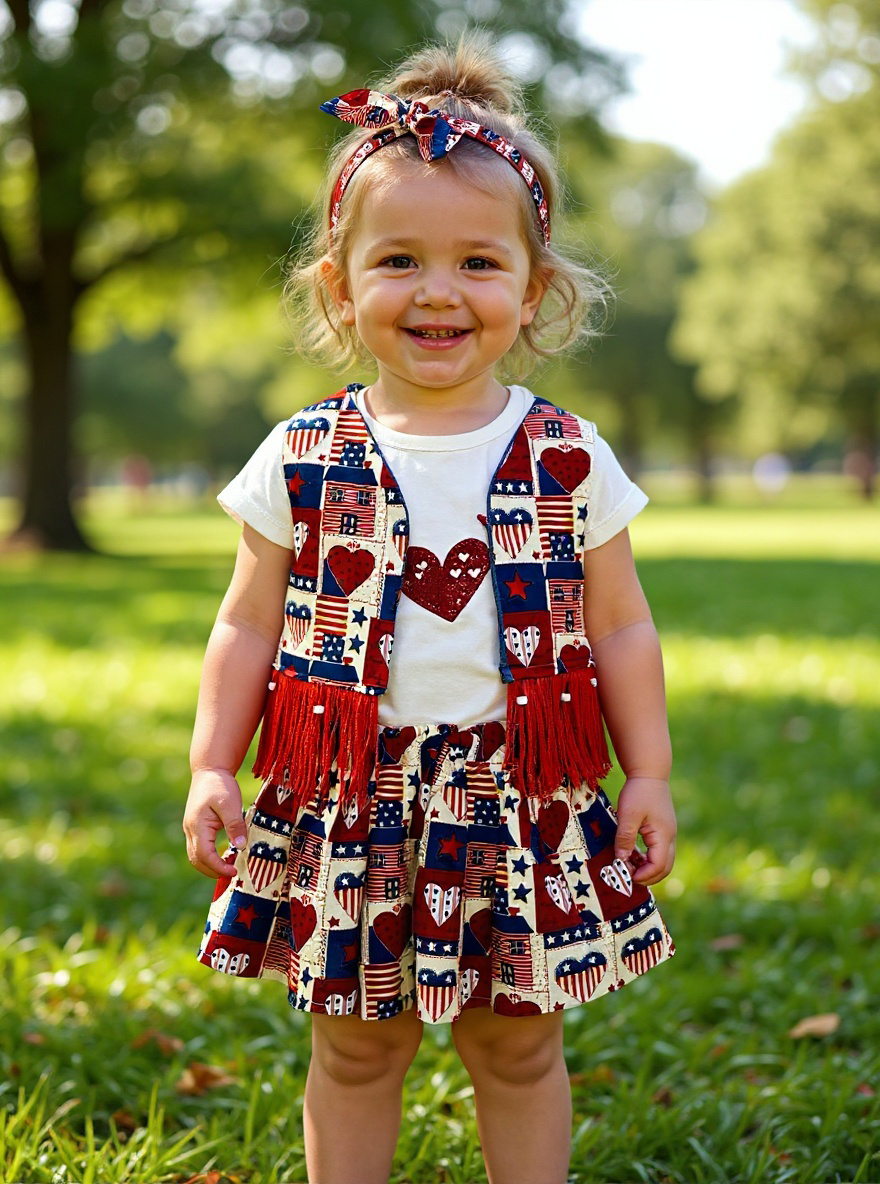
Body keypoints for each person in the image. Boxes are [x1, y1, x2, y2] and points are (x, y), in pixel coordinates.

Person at [183, 32, 676, 1184]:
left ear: (533, 288)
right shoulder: (303, 452)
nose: (439, 291)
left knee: (517, 1036)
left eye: (478, 263)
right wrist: (214, 761)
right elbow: (248, 620)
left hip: (524, 792)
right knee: (357, 1042)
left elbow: (619, 623)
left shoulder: (565, 452)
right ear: (340, 287)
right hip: (352, 794)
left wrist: (645, 770)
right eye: (399, 259)